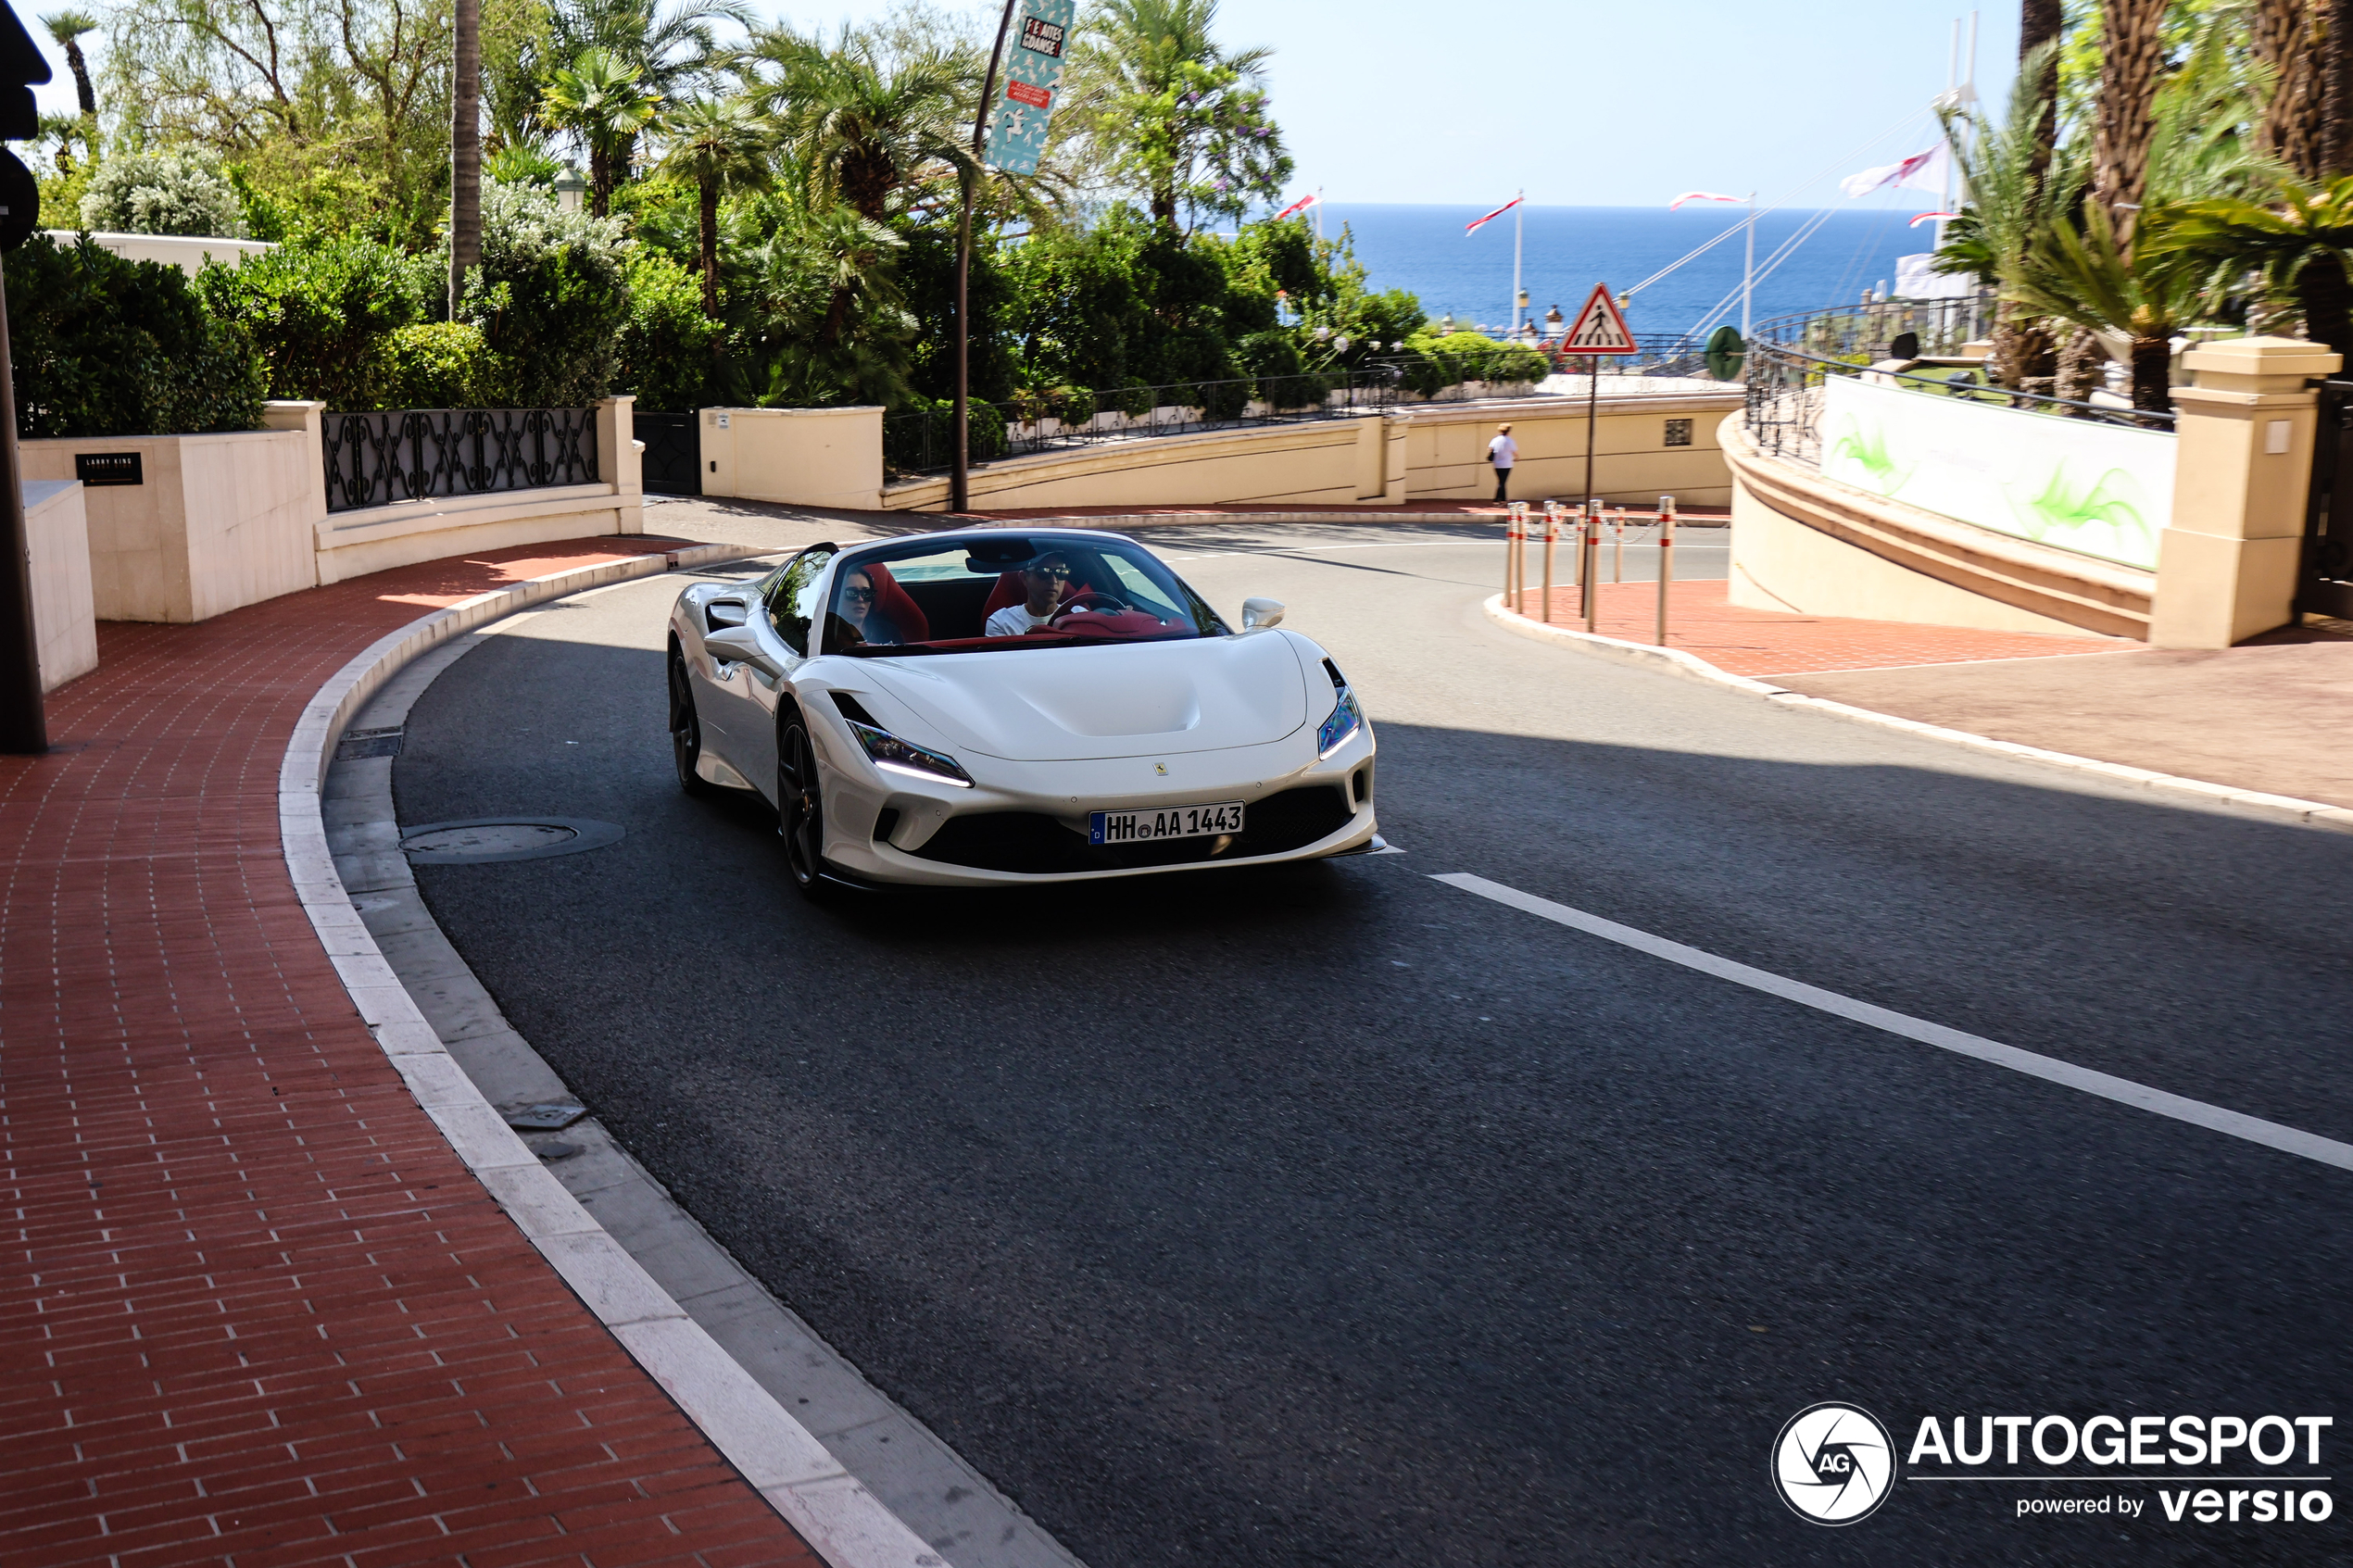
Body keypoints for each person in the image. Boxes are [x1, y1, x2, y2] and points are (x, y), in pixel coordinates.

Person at [985, 552, 1078, 636]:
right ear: (1025, 578)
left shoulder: (1079, 616)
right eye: (1044, 572)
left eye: (1061, 572)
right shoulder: (1002, 622)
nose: (1053, 581)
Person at [836, 567, 900, 645]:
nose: (860, 599)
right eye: (852, 592)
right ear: (838, 596)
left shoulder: (887, 631)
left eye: (866, 593)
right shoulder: (825, 635)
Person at [1488, 423, 1516, 504]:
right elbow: (1514, 451)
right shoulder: (1510, 440)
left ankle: (1504, 498)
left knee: (1502, 481)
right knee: (1502, 481)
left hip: (1497, 464)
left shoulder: (1495, 439)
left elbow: (1490, 449)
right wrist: (1517, 457)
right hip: (1507, 463)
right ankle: (1497, 499)